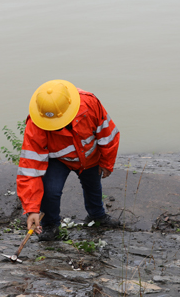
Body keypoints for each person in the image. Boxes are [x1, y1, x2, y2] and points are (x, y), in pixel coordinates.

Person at [17, 79, 121, 241]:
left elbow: (107, 134)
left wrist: (107, 162)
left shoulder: (90, 104)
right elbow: (30, 168)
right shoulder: (36, 123)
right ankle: (50, 225)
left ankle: (97, 216)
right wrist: (32, 209)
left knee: (93, 186)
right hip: (59, 160)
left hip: (89, 157)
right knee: (50, 191)